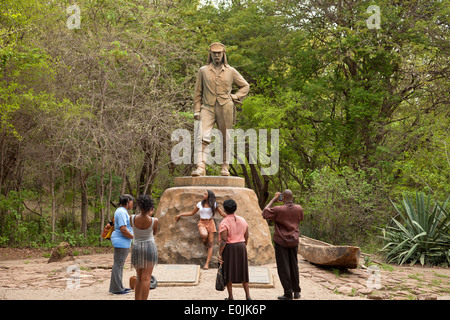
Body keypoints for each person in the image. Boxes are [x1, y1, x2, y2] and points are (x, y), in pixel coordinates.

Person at [192, 42, 250, 176]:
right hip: (207, 107)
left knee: (225, 137)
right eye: (214, 53)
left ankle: (225, 166)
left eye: (219, 53)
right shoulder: (203, 70)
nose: (217, 55)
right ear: (210, 54)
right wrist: (196, 110)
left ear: (223, 54)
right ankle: (201, 166)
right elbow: (197, 92)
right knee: (201, 136)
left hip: (225, 106)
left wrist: (235, 96)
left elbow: (245, 86)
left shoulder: (231, 71)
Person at [262, 190, 304, 300]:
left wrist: (273, 199)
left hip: (281, 241)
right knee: (294, 265)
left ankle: (288, 293)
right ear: (292, 197)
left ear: (283, 197)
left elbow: (264, 213)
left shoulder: (278, 209)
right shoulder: (299, 208)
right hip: (294, 240)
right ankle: (297, 291)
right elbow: (300, 219)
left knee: (283, 267)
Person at [175, 190, 226, 270]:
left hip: (210, 222)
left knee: (210, 243)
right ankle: (204, 240)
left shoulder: (214, 204)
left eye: (205, 194)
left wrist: (232, 217)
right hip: (202, 222)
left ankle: (207, 264)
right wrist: (181, 214)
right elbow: (192, 213)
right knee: (204, 235)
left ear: (209, 196)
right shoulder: (200, 204)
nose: (203, 195)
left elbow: (221, 213)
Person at [218, 199, 250, 300]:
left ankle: (231, 296)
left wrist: (219, 253)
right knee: (243, 272)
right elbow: (247, 235)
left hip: (229, 248)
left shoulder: (224, 222)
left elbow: (223, 240)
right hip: (241, 246)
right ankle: (248, 296)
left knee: (228, 271)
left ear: (225, 209)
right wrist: (244, 245)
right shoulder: (242, 220)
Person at [130, 195, 158, 300]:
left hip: (137, 247)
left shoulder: (132, 218)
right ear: (151, 208)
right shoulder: (154, 220)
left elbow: (135, 229)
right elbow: (154, 233)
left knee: (139, 277)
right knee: (146, 278)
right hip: (150, 247)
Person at [109, 194, 134, 295]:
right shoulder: (121, 212)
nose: (132, 204)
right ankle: (116, 288)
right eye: (132, 202)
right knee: (118, 265)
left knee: (119, 265)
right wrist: (134, 237)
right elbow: (123, 229)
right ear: (127, 202)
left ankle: (120, 286)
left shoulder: (122, 211)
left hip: (123, 241)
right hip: (121, 241)